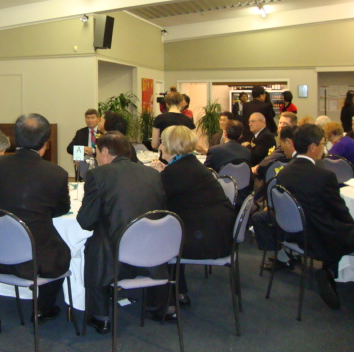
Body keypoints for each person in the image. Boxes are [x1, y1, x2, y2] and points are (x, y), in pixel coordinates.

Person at [0, 113, 71, 333]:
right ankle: (42, 309)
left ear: (14, 138)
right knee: (63, 254)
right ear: (46, 143)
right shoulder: (56, 173)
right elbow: (61, 210)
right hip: (35, 259)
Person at [77, 132, 166, 333]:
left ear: (105, 151)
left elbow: (86, 221)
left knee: (96, 242)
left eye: (97, 152)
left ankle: (101, 316)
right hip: (152, 249)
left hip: (116, 255)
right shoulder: (152, 174)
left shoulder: (98, 175)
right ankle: (156, 305)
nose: (97, 157)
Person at [151, 126, 235, 307]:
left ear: (172, 146)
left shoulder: (176, 172)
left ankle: (167, 302)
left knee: (159, 238)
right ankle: (178, 292)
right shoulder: (189, 165)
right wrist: (164, 173)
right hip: (219, 233)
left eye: (163, 143)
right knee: (170, 231)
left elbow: (155, 198)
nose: (160, 147)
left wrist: (158, 175)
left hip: (207, 239)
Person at [277, 124, 354, 309]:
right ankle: (329, 269)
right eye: (322, 143)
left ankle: (330, 269)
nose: (324, 148)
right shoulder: (324, 176)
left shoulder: (283, 172)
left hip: (293, 233)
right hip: (319, 235)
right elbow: (340, 211)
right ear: (313, 147)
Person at [251, 125, 297, 270]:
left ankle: (282, 256)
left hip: (295, 217)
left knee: (260, 217)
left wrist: (271, 206)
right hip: (310, 216)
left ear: (288, 142)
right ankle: (290, 252)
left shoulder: (287, 168)